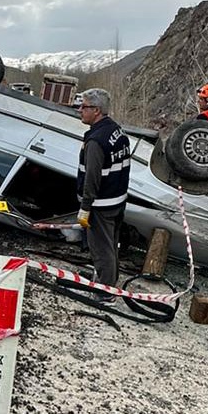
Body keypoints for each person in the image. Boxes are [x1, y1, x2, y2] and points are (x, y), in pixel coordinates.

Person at [76, 88, 131, 291]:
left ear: (97, 110)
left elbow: (92, 177)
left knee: (101, 249)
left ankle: (105, 291)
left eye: (84, 106)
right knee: (111, 245)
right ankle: (107, 279)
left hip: (101, 204)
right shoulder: (117, 132)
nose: (80, 110)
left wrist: (86, 206)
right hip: (117, 200)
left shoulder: (96, 142)